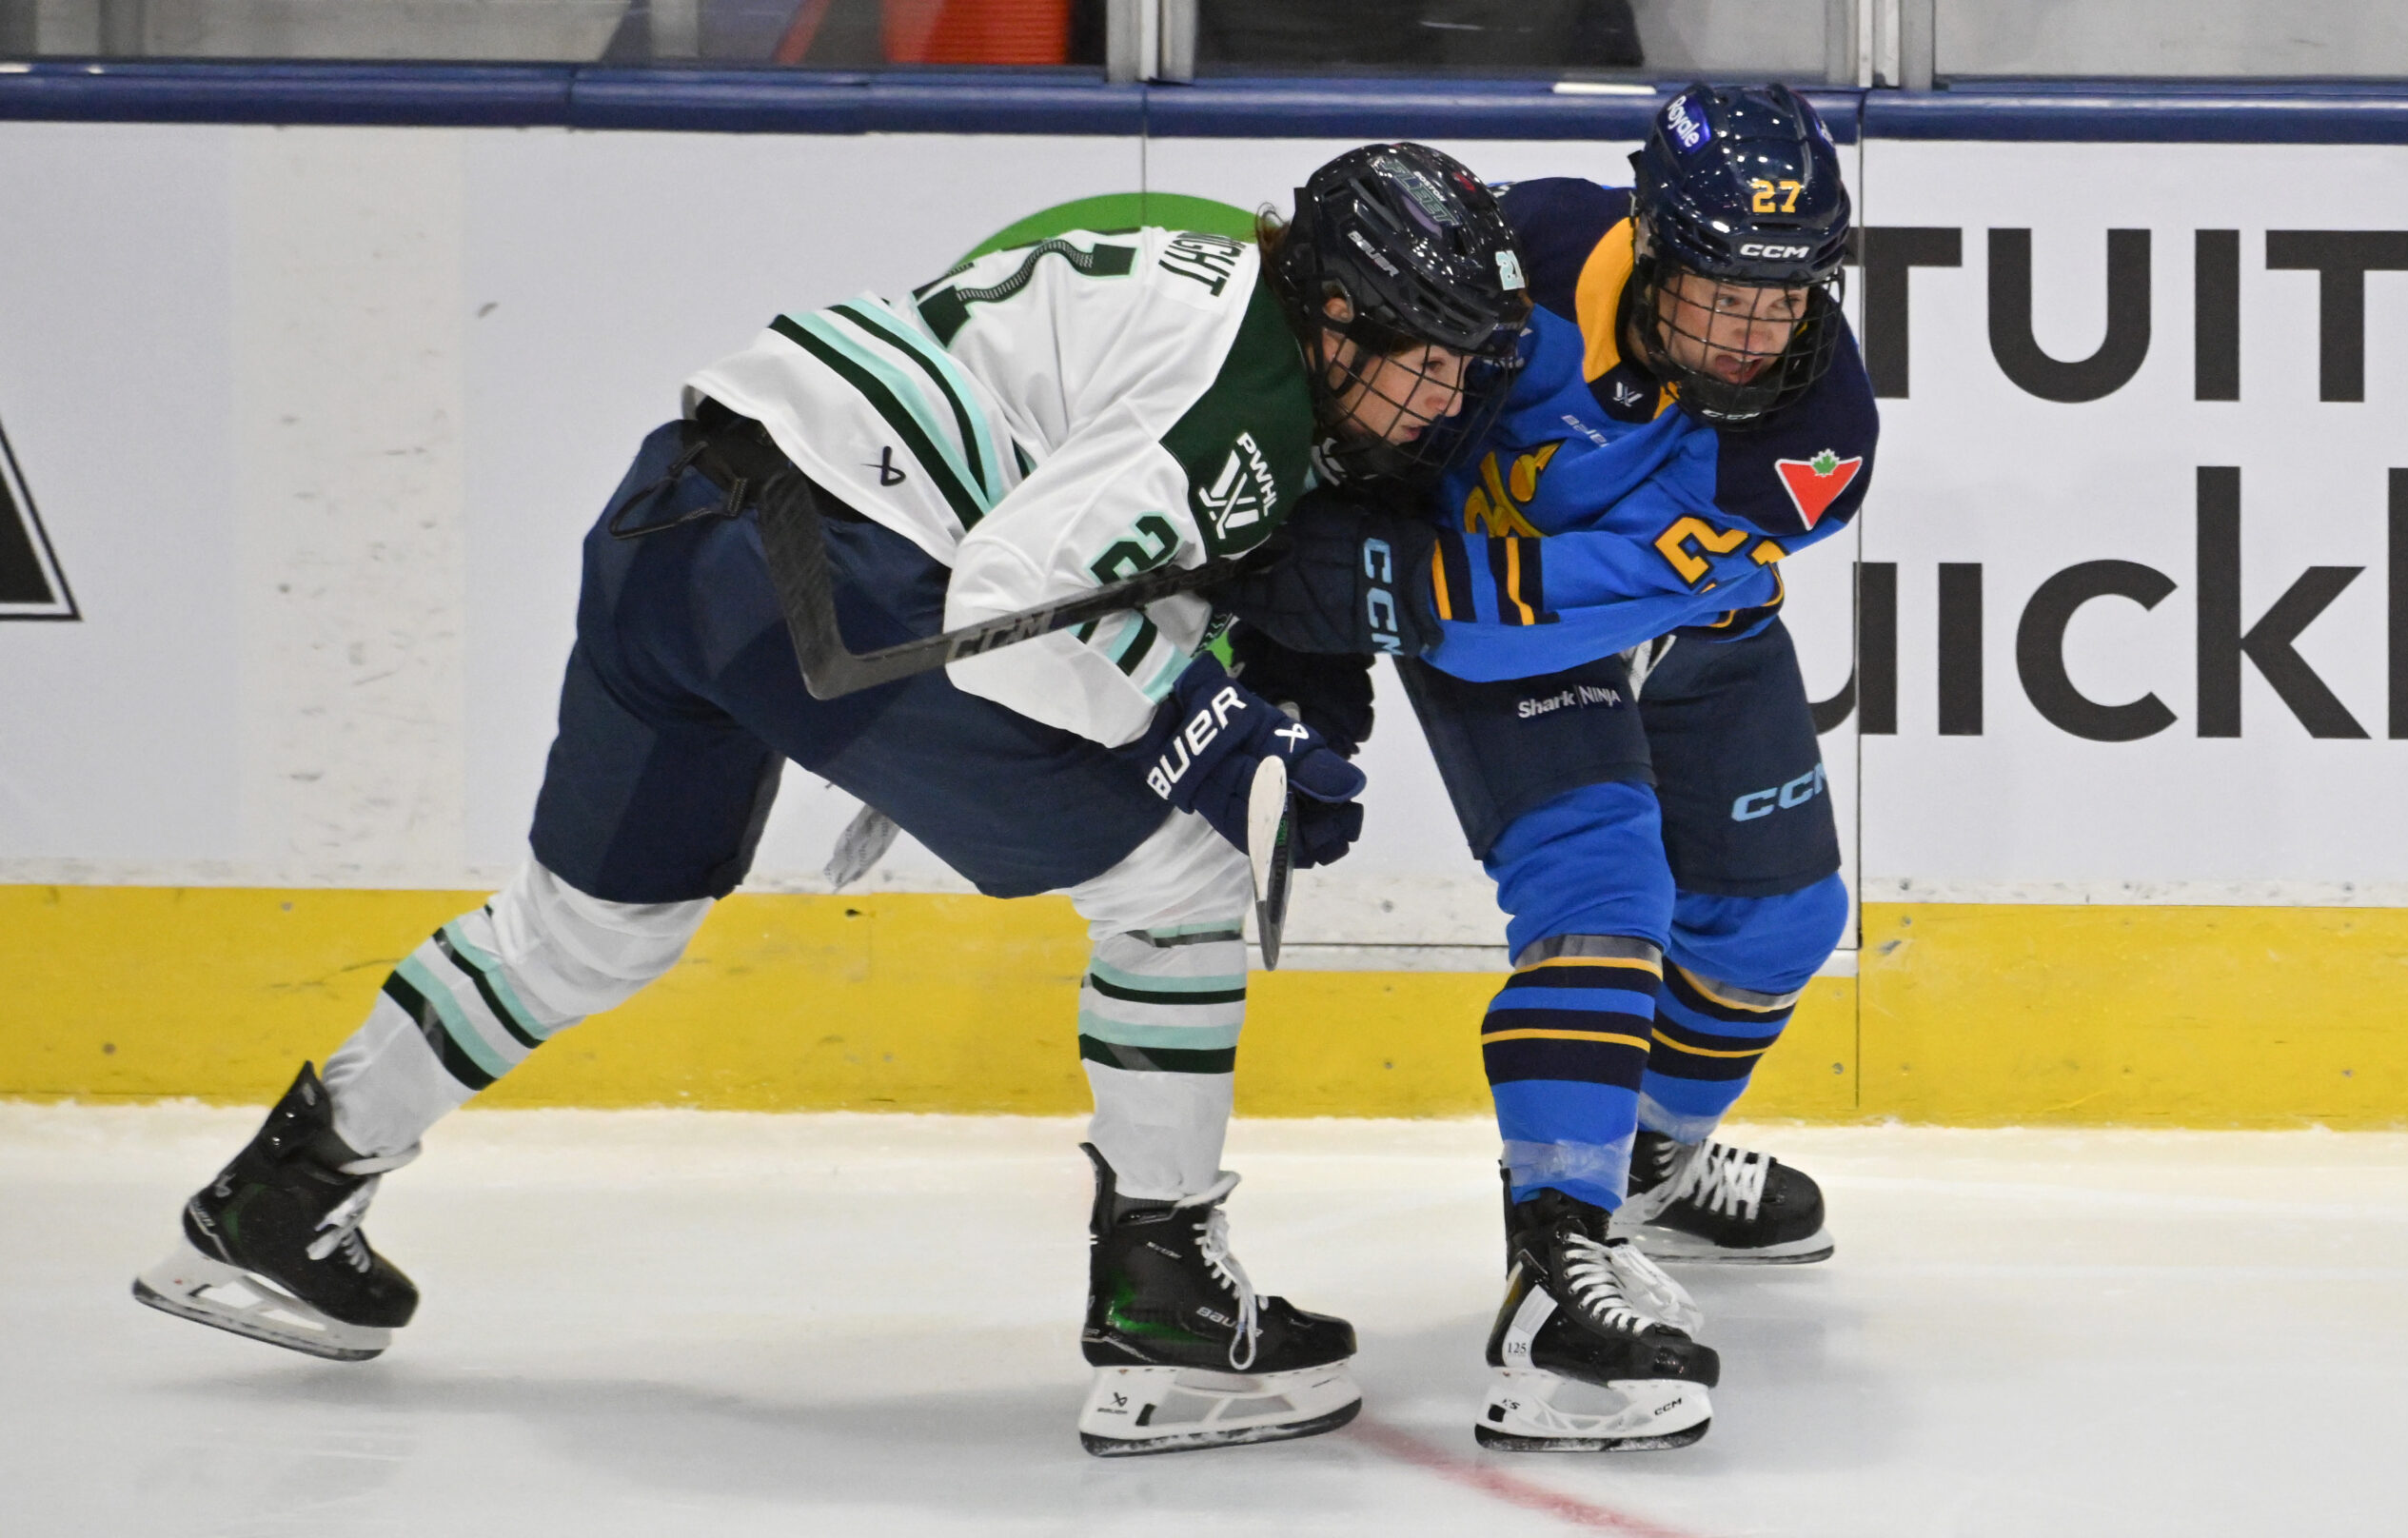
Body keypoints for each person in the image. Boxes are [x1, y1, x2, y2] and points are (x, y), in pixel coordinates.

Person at [131, 143, 1530, 1458]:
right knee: (1181, 890)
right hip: (841, 590)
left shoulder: (1203, 252)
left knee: (589, 932)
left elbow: (1042, 481)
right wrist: (1213, 733)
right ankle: (1164, 1309)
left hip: (677, 517)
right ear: (1337, 317)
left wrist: (1217, 669)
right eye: (1431, 358)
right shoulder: (1252, 397)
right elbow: (1013, 604)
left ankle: (277, 1199)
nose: (1450, 397)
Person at [1217, 83, 1875, 1451]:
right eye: (1724, 299)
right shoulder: (1515, 267)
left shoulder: (1823, 426)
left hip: (1642, 623)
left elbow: (1609, 590)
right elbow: (1356, 429)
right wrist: (1312, 614)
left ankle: (1643, 1162)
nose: (1756, 338)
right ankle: (1556, 1270)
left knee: (1783, 920)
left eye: (1787, 300)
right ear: (1653, 241)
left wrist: (1403, 589)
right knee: (1605, 901)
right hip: (1523, 649)